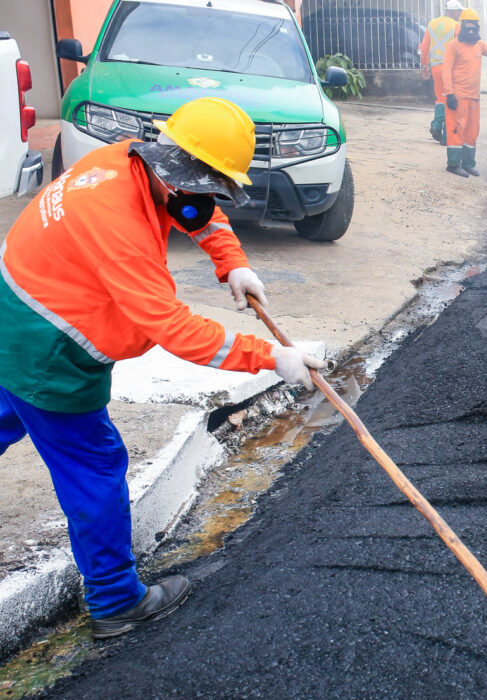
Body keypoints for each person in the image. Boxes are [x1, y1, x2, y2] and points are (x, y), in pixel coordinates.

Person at [0, 97, 324, 640]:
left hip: (14, 310)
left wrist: (232, 262)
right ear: (177, 173)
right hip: (48, 345)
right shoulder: (117, 224)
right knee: (93, 465)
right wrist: (271, 356)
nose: (207, 196)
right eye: (206, 183)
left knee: (8, 414)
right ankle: (115, 600)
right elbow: (173, 329)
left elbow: (196, 209)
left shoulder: (130, 159)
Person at [443, 8, 487, 177]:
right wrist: (449, 93)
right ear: (462, 26)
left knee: (472, 132)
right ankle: (453, 164)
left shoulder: (479, 45)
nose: (471, 29)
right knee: (457, 130)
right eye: (468, 25)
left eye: (474, 26)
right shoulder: (453, 46)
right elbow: (446, 71)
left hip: (474, 97)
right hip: (457, 97)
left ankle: (468, 164)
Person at [421, 0, 465, 145]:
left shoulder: (432, 23)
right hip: (451, 69)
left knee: (440, 97)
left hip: (435, 68)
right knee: (451, 99)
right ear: (453, 11)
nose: (460, 15)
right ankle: (447, 135)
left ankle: (436, 125)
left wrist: (424, 66)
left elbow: (425, 46)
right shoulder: (456, 26)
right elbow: (461, 48)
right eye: (459, 12)